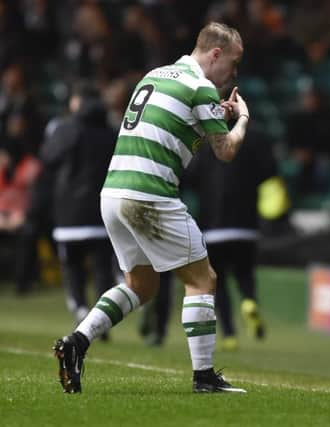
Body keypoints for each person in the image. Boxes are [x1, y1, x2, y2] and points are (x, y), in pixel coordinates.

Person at [53, 22, 250, 394]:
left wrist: (212, 116)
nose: (234, 73)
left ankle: (76, 343)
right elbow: (225, 151)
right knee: (202, 279)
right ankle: (204, 376)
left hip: (113, 193)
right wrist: (241, 120)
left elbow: (173, 124)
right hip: (149, 195)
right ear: (216, 54)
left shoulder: (157, 75)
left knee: (140, 285)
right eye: (234, 63)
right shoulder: (200, 86)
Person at [185, 126, 281, 351]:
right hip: (246, 225)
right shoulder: (255, 139)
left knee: (219, 283)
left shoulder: (208, 143)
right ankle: (249, 301)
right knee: (245, 273)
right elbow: (270, 173)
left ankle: (229, 334)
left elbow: (189, 177)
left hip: (213, 226)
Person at [41, 83, 116, 330]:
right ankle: (101, 318)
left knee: (73, 266)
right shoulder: (111, 132)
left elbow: (48, 158)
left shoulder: (66, 129)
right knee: (103, 268)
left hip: (69, 212)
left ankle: (81, 309)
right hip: (102, 212)